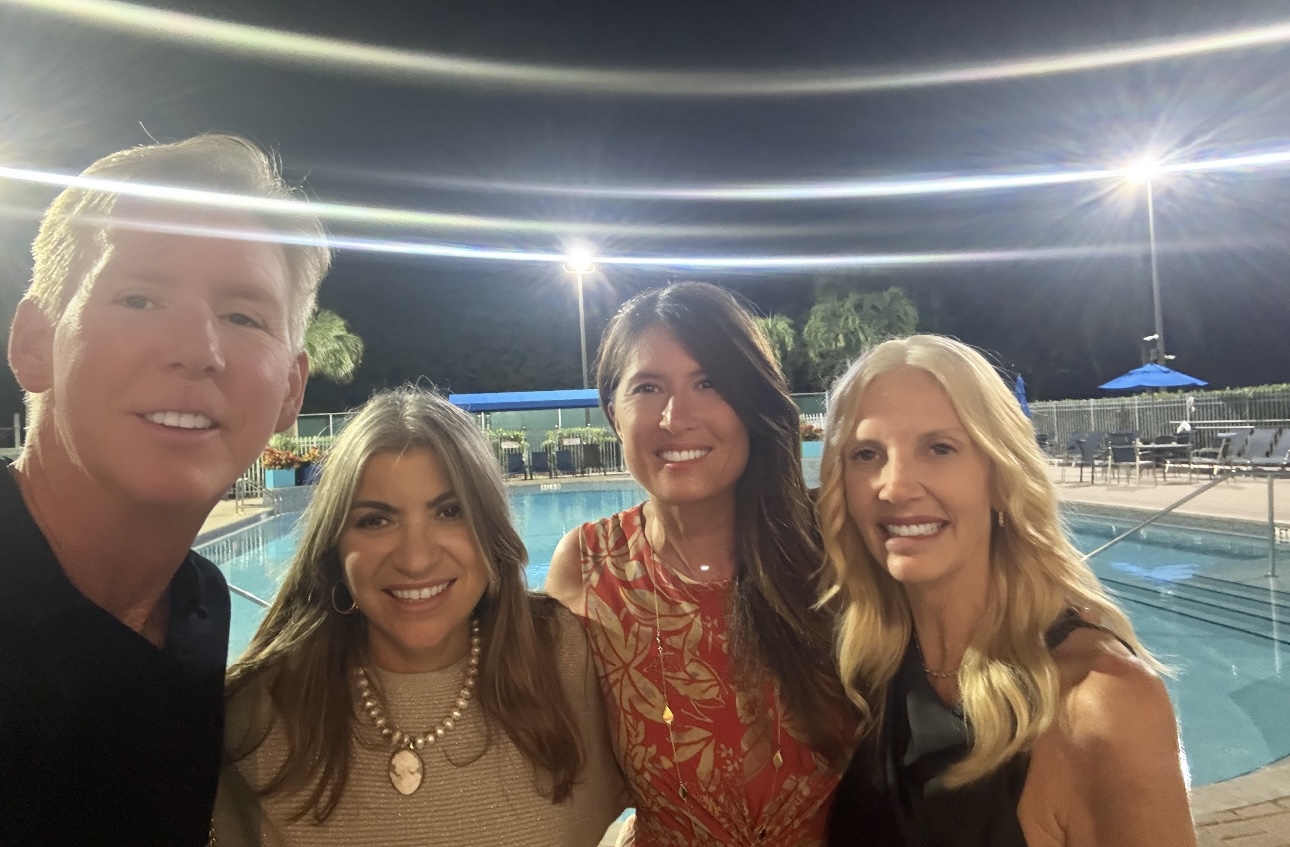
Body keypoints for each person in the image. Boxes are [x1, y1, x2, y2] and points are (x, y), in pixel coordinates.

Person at [1, 134, 328, 846]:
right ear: (33, 343)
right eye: (139, 297)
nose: (197, 350)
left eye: (243, 317)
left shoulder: (197, 605)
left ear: (290, 390)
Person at [819, 334, 1195, 847]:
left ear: (1001, 479)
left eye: (940, 448)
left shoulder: (1101, 704)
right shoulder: (866, 671)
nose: (896, 486)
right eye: (866, 453)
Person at [212, 386, 627, 846]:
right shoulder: (256, 714)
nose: (415, 559)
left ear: (491, 532)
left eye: (450, 512)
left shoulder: (565, 657)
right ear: (335, 548)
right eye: (376, 520)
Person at [546, 281, 855, 846]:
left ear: (752, 403)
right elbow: (557, 766)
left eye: (708, 383)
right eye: (647, 387)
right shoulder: (589, 568)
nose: (675, 416)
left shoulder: (834, 545)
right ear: (613, 414)